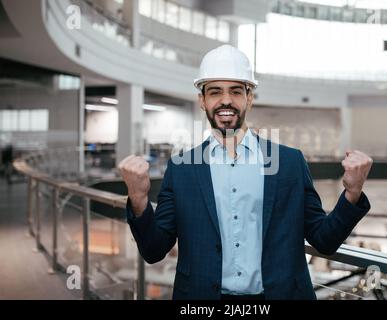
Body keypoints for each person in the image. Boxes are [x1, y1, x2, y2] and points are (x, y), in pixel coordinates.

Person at [118, 45, 373, 300]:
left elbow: (323, 239)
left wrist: (352, 193)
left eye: (236, 91)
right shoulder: (182, 168)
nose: (226, 100)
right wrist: (138, 198)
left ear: (249, 97)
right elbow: (154, 250)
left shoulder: (289, 162)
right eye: (215, 91)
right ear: (202, 100)